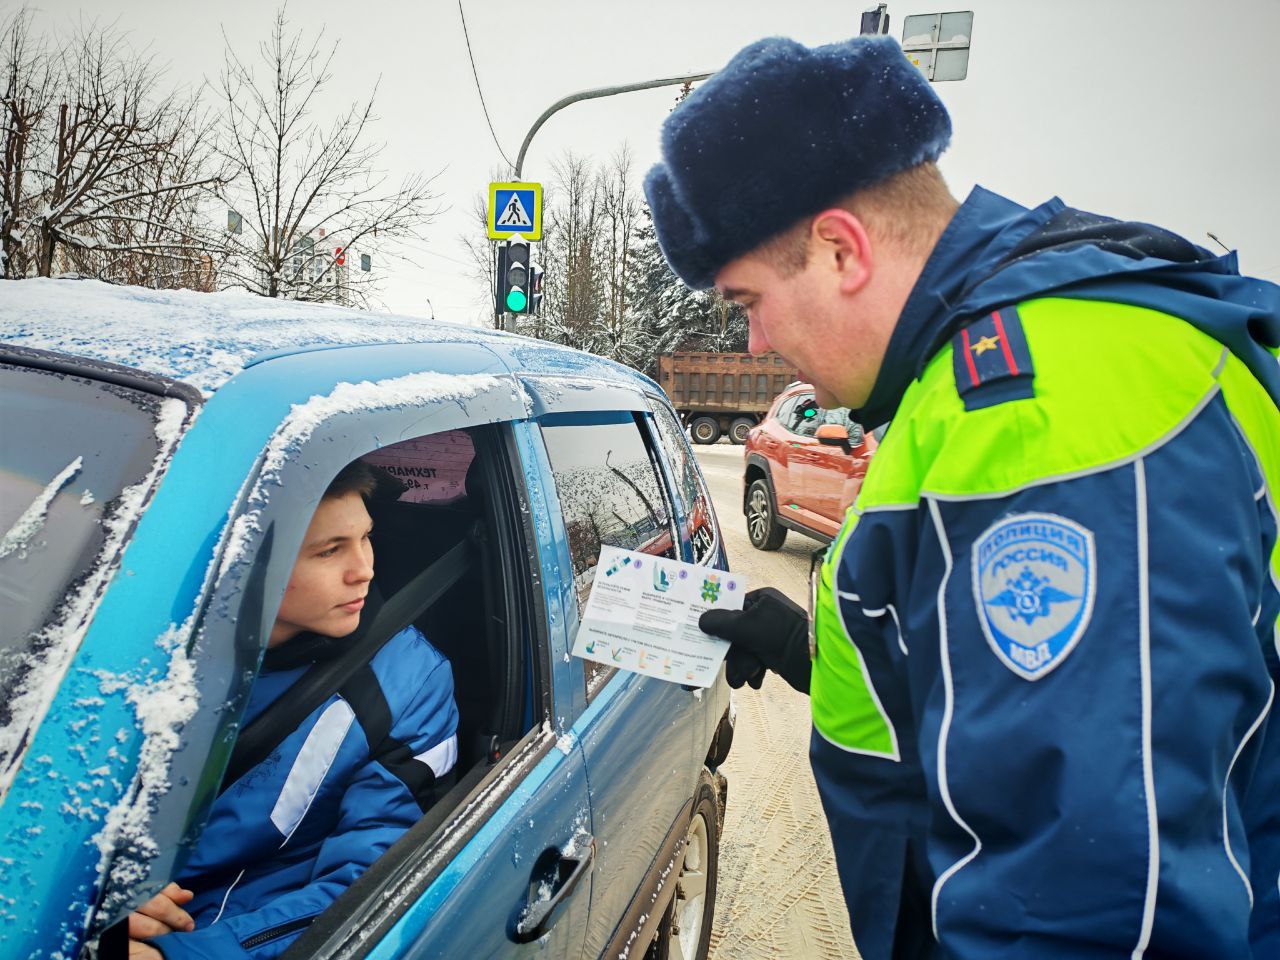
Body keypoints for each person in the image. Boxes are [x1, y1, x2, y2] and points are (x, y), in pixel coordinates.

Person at [646, 35, 1280, 959]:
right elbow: (980, 676)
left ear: (838, 249)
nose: (750, 345)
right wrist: (807, 646)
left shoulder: (1045, 413)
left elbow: (1095, 903)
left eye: (747, 301)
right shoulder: (971, 372)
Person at [128, 460, 459, 959]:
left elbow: (376, 882)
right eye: (330, 551)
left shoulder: (409, 682)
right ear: (247, 561)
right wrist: (99, 896)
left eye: (366, 538)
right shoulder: (143, 642)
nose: (365, 569)